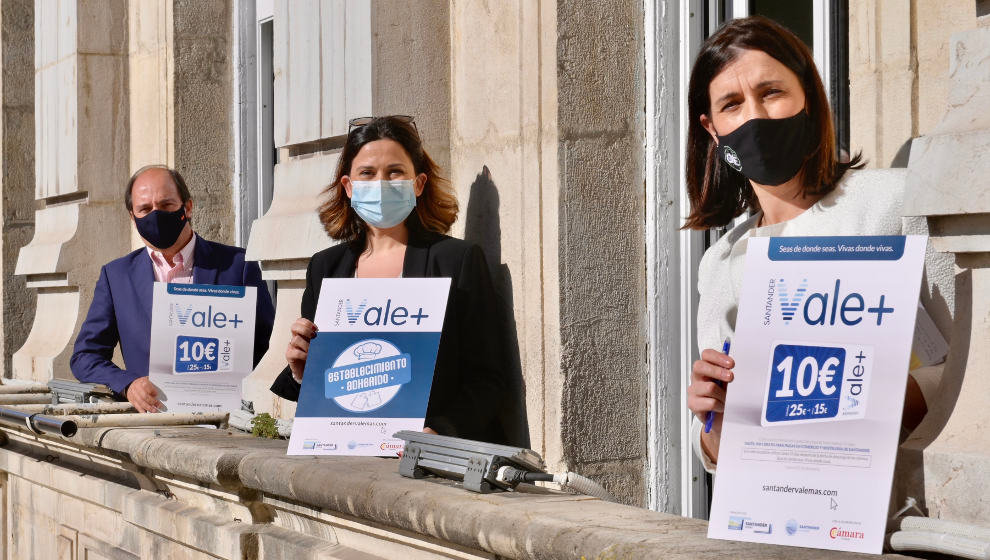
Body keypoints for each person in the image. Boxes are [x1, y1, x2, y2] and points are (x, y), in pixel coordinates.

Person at [682, 17, 933, 472]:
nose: (754, 117)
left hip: (899, 521)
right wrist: (712, 416)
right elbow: (727, 454)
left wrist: (850, 398)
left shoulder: (895, 203)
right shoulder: (720, 262)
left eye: (771, 93)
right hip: (775, 523)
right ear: (712, 130)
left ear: (810, 99)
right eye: (732, 104)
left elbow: (968, 369)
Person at [269, 115, 508, 443]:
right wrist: (301, 375)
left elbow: (489, 380)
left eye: (395, 172)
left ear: (419, 183)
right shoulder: (326, 268)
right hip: (347, 458)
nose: (380, 183)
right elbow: (325, 387)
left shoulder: (456, 262)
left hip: (425, 462)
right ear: (348, 187)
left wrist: (438, 432)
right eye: (367, 173)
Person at [71, 165, 276, 413]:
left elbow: (269, 348)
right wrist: (128, 385)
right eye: (145, 209)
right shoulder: (116, 277)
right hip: (153, 424)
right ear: (132, 217)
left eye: (166, 205)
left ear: (187, 208)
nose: (155, 215)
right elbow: (85, 357)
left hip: (227, 421)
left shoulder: (238, 266)